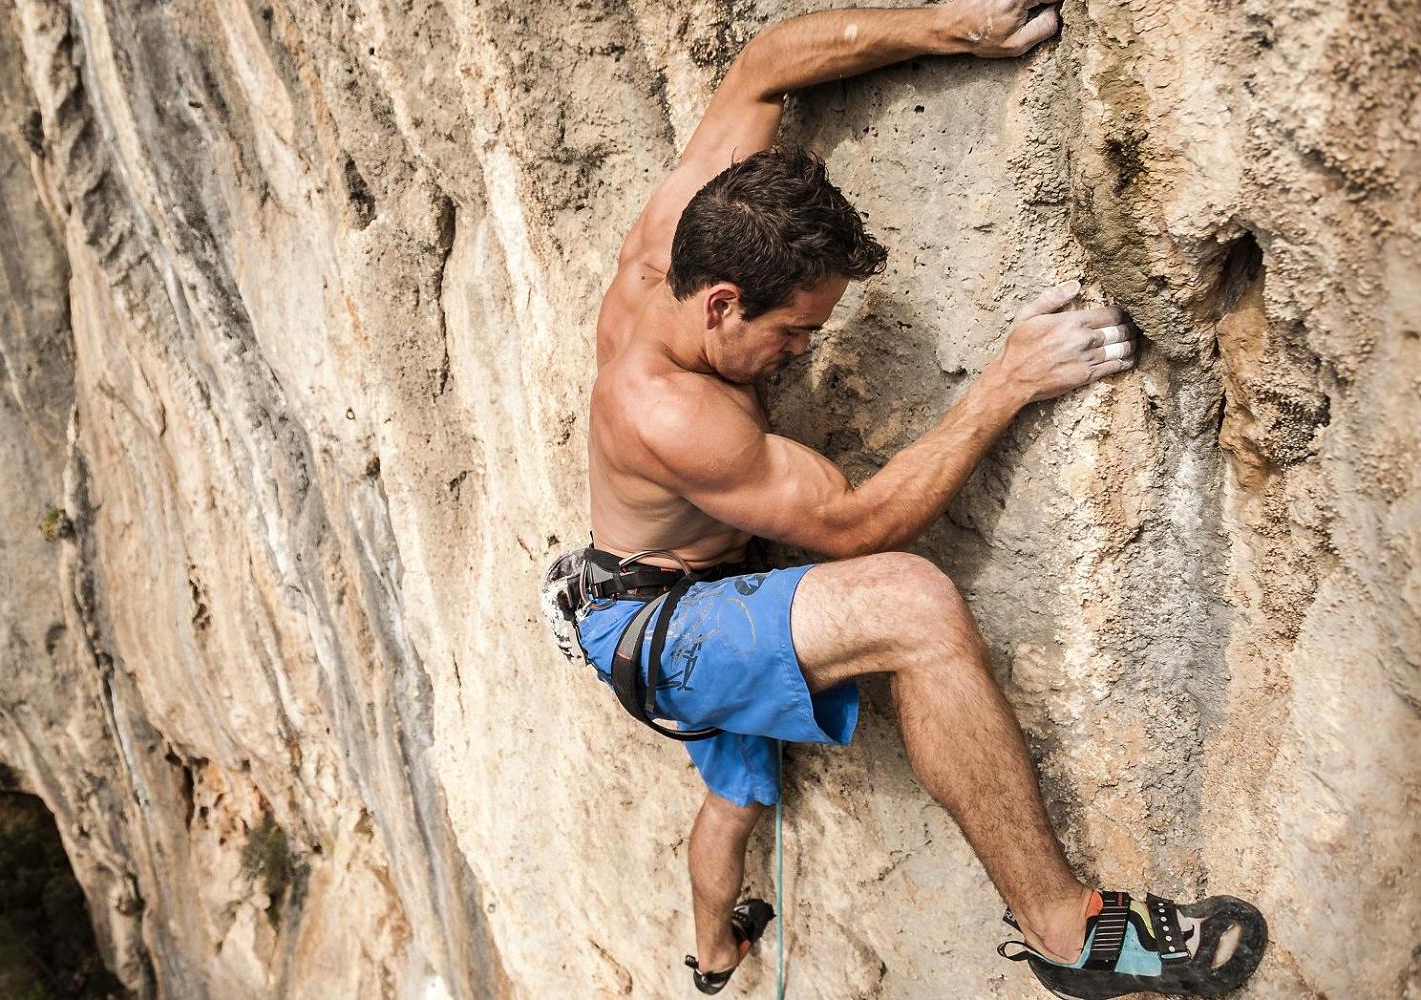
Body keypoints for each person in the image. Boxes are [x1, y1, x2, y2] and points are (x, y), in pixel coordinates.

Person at [538, 1, 1268, 996]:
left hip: (651, 590)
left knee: (733, 802)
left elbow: (760, 67)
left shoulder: (679, 235)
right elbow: (856, 526)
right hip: (670, 632)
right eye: (791, 332)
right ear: (719, 304)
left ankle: (711, 958)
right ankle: (1061, 929)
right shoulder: (670, 414)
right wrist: (1007, 380)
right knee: (911, 606)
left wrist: (941, 27)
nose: (800, 351)